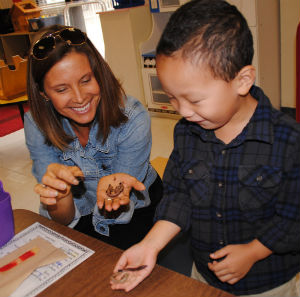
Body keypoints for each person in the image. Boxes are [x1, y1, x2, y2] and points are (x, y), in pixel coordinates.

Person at [110, 0, 300, 296]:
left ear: (242, 80)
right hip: (203, 275)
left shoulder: (288, 140)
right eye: (172, 97)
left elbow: (294, 216)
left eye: (195, 100)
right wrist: (150, 246)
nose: (183, 111)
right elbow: (179, 195)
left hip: (268, 283)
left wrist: (254, 251)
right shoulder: (187, 132)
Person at [24, 25, 163, 250]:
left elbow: (118, 207)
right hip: (79, 213)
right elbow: (64, 219)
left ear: (99, 73)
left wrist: (112, 194)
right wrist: (62, 194)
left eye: (86, 80)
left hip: (134, 208)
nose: (79, 98)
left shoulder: (133, 117)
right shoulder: (35, 125)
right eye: (61, 90)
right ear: (43, 94)